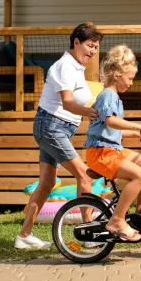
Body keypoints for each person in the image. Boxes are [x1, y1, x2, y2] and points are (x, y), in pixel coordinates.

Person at [15, 23, 103, 249]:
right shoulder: (65, 65)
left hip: (55, 128)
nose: (93, 52)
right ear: (76, 42)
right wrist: (91, 113)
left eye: (96, 47)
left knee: (47, 182)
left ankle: (24, 236)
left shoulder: (76, 68)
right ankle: (88, 234)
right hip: (51, 127)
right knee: (84, 175)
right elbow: (67, 103)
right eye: (90, 45)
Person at [84, 45, 141, 242]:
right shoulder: (108, 95)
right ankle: (117, 220)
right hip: (101, 152)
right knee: (140, 175)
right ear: (117, 75)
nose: (132, 83)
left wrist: (139, 135)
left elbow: (114, 130)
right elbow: (110, 121)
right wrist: (139, 126)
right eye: (130, 77)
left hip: (113, 149)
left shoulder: (115, 97)